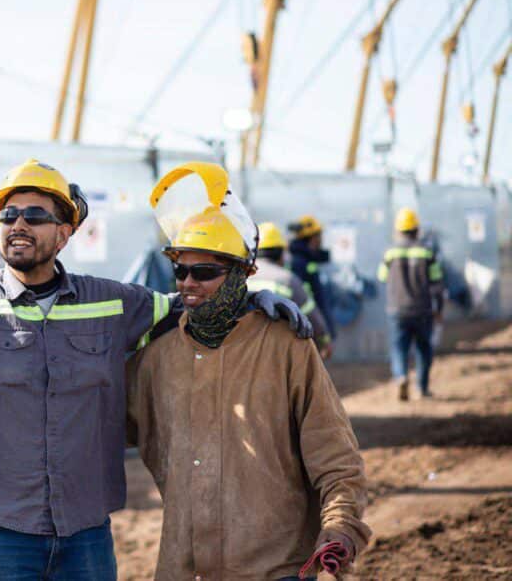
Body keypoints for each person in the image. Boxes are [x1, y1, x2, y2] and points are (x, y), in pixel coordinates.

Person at [0, 144, 311, 580]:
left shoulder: (113, 304)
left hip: (85, 536)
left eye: (34, 215)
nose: (18, 225)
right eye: (8, 215)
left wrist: (250, 298)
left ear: (66, 230)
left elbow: (189, 306)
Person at [127, 164, 371, 580]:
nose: (189, 282)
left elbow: (337, 460)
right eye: (181, 270)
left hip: (274, 570)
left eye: (205, 272)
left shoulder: (286, 347)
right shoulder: (157, 356)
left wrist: (340, 527)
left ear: (243, 275)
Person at [377, 207, 444, 401]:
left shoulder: (390, 253)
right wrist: (439, 309)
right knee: (424, 349)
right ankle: (422, 388)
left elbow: (381, 277)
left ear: (398, 230)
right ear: (417, 229)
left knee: (399, 348)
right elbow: (438, 284)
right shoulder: (427, 253)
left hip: (397, 309)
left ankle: (401, 376)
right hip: (423, 309)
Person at [249, 221, 332, 359]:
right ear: (281, 254)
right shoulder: (287, 279)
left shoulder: (241, 276)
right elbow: (311, 314)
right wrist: (324, 340)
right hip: (277, 352)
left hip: (243, 351)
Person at [288, 214, 336, 339]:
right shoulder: (299, 263)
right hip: (309, 327)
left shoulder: (310, 260)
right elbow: (303, 299)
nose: (321, 240)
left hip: (315, 324)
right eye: (319, 235)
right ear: (311, 238)